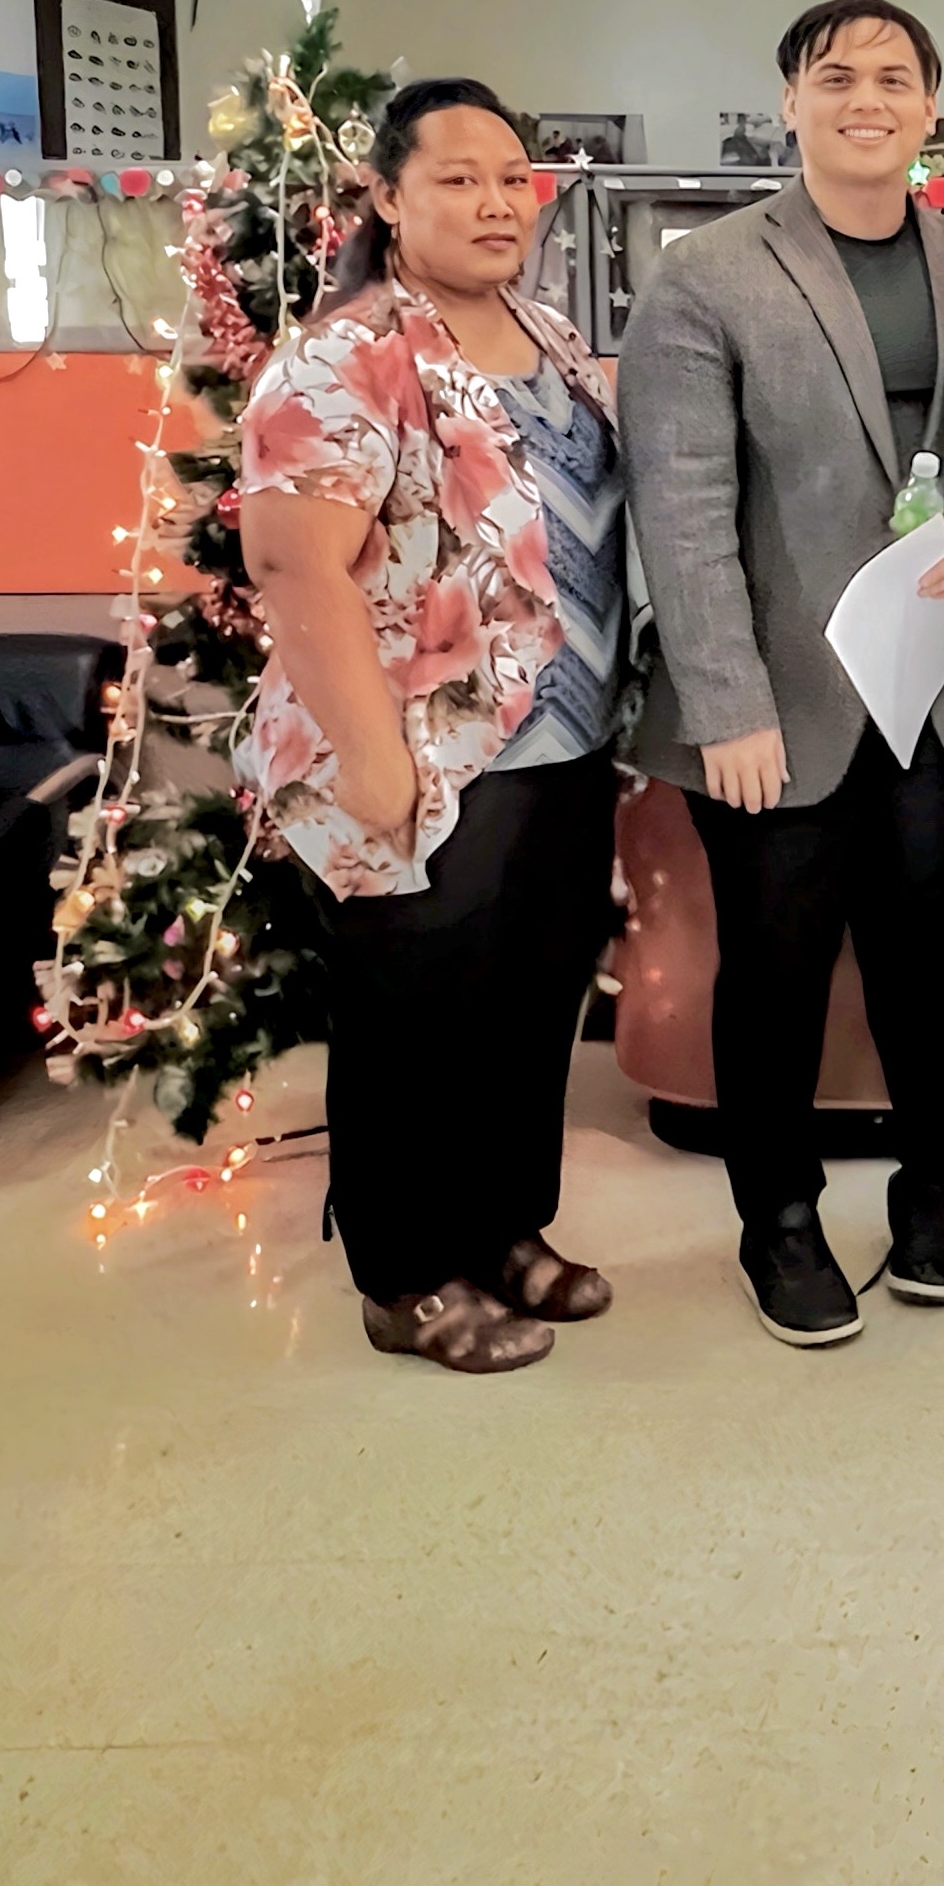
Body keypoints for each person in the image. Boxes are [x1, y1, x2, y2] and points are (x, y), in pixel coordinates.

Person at [619, 0, 944, 1348]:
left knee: (925, 964)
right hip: (775, 702)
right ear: (791, 100)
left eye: (896, 75)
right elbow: (679, 505)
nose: (866, 95)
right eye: (836, 74)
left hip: (932, 689)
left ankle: (935, 1192)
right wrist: (723, 700)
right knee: (775, 974)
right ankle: (775, 1221)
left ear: (928, 107)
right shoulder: (708, 275)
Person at [238, 79, 627, 1374]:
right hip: (422, 755)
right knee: (415, 1019)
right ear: (390, 202)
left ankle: (501, 1226)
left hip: (560, 748)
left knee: (527, 1004)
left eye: (511, 176)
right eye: (456, 177)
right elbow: (296, 564)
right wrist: (371, 759)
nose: (494, 200)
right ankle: (406, 1274)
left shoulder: (552, 334)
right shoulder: (346, 356)